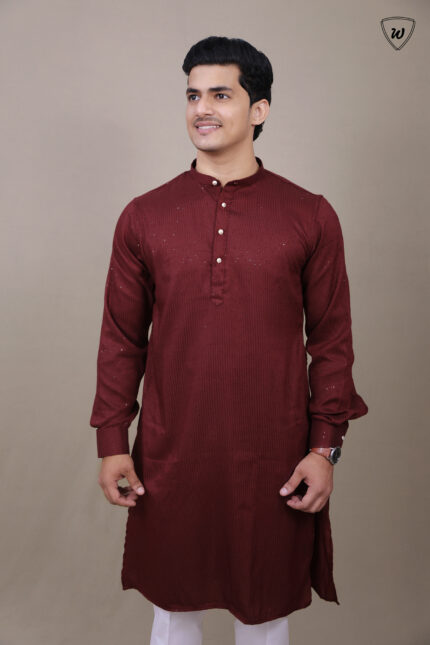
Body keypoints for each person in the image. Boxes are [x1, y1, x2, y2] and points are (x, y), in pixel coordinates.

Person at [90, 36, 368, 644]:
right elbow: (121, 339)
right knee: (172, 608)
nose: (202, 109)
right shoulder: (145, 215)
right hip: (171, 449)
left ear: (259, 108)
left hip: (273, 452)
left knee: (264, 611)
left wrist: (324, 449)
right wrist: (113, 441)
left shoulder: (309, 215)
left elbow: (332, 342)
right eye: (193, 95)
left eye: (220, 94)